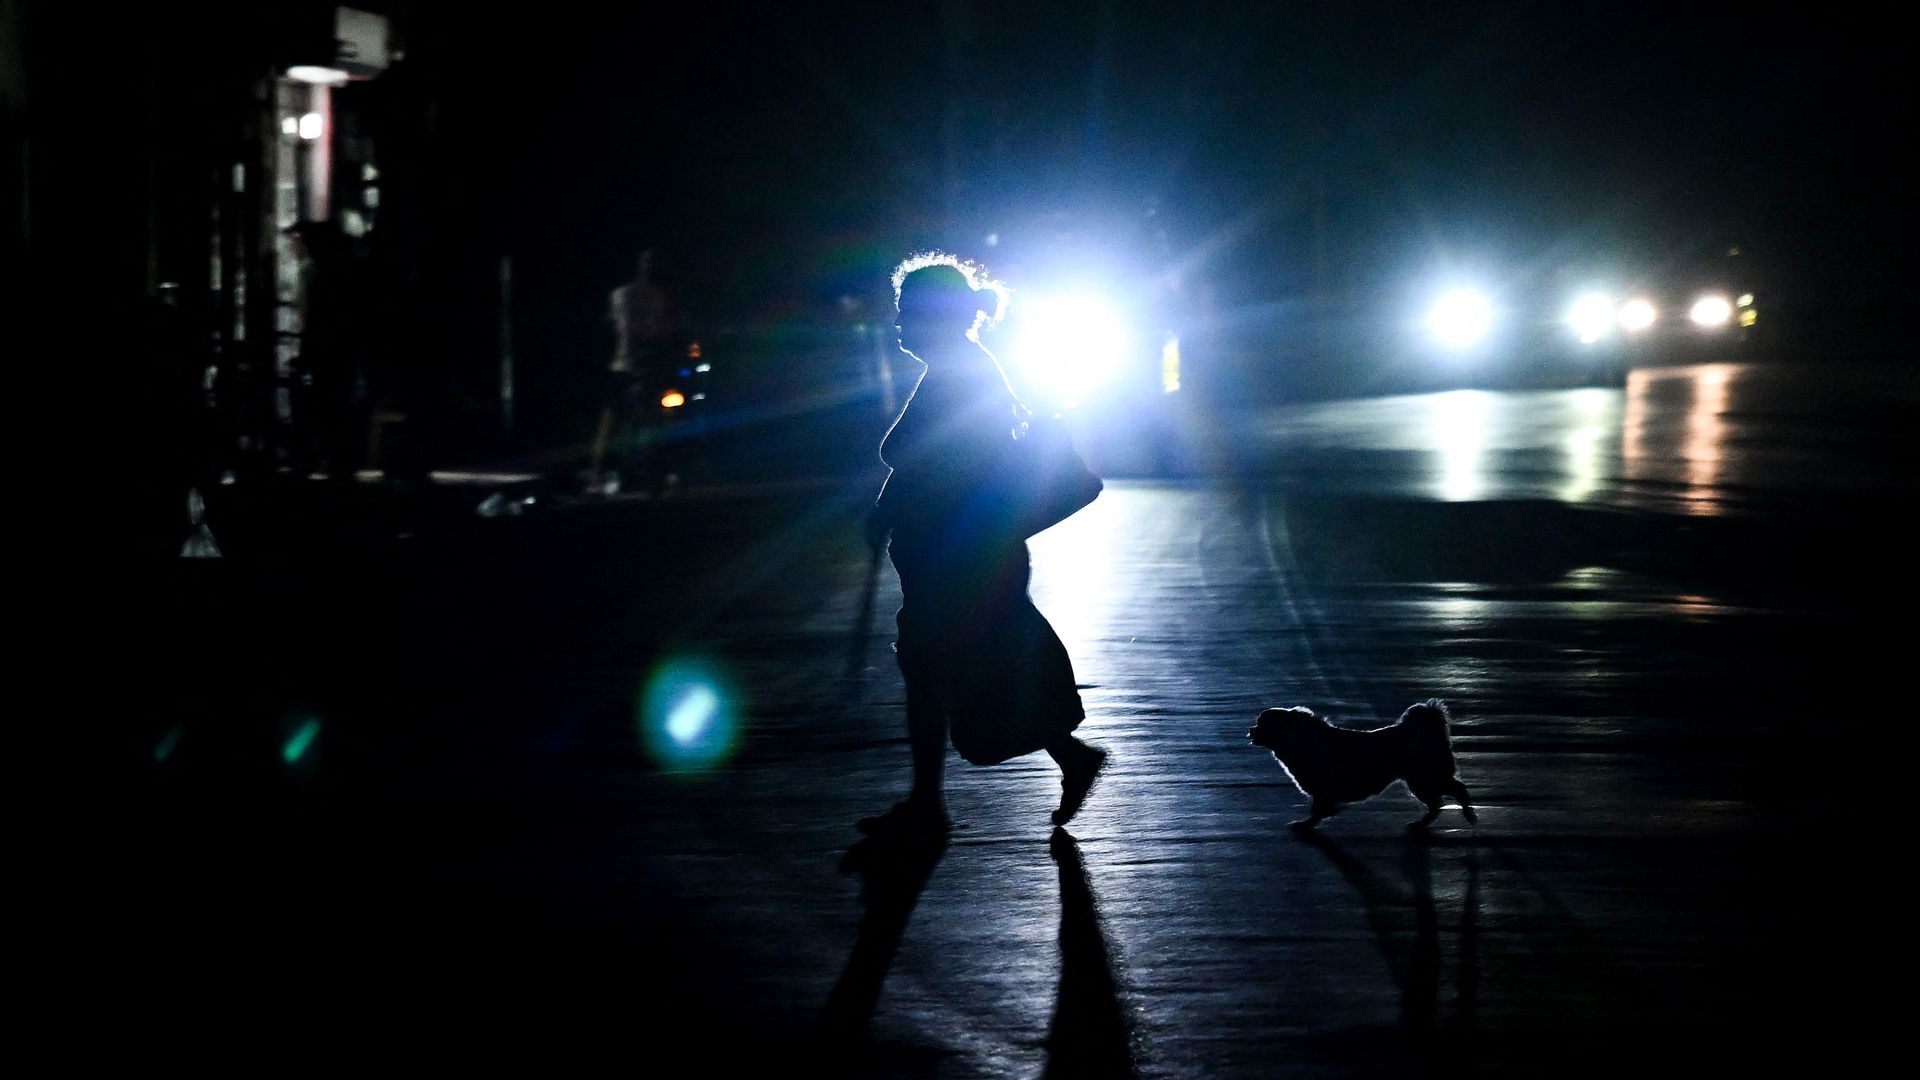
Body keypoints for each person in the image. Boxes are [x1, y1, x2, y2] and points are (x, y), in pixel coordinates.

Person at [862, 253, 1108, 837]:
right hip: (953, 557)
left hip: (962, 559)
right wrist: (886, 512)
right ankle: (1061, 757)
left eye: (907, 313)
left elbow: (934, 463)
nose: (898, 325)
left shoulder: (960, 378)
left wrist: (890, 513)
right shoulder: (952, 373)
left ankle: (931, 803)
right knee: (964, 668)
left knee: (944, 671)